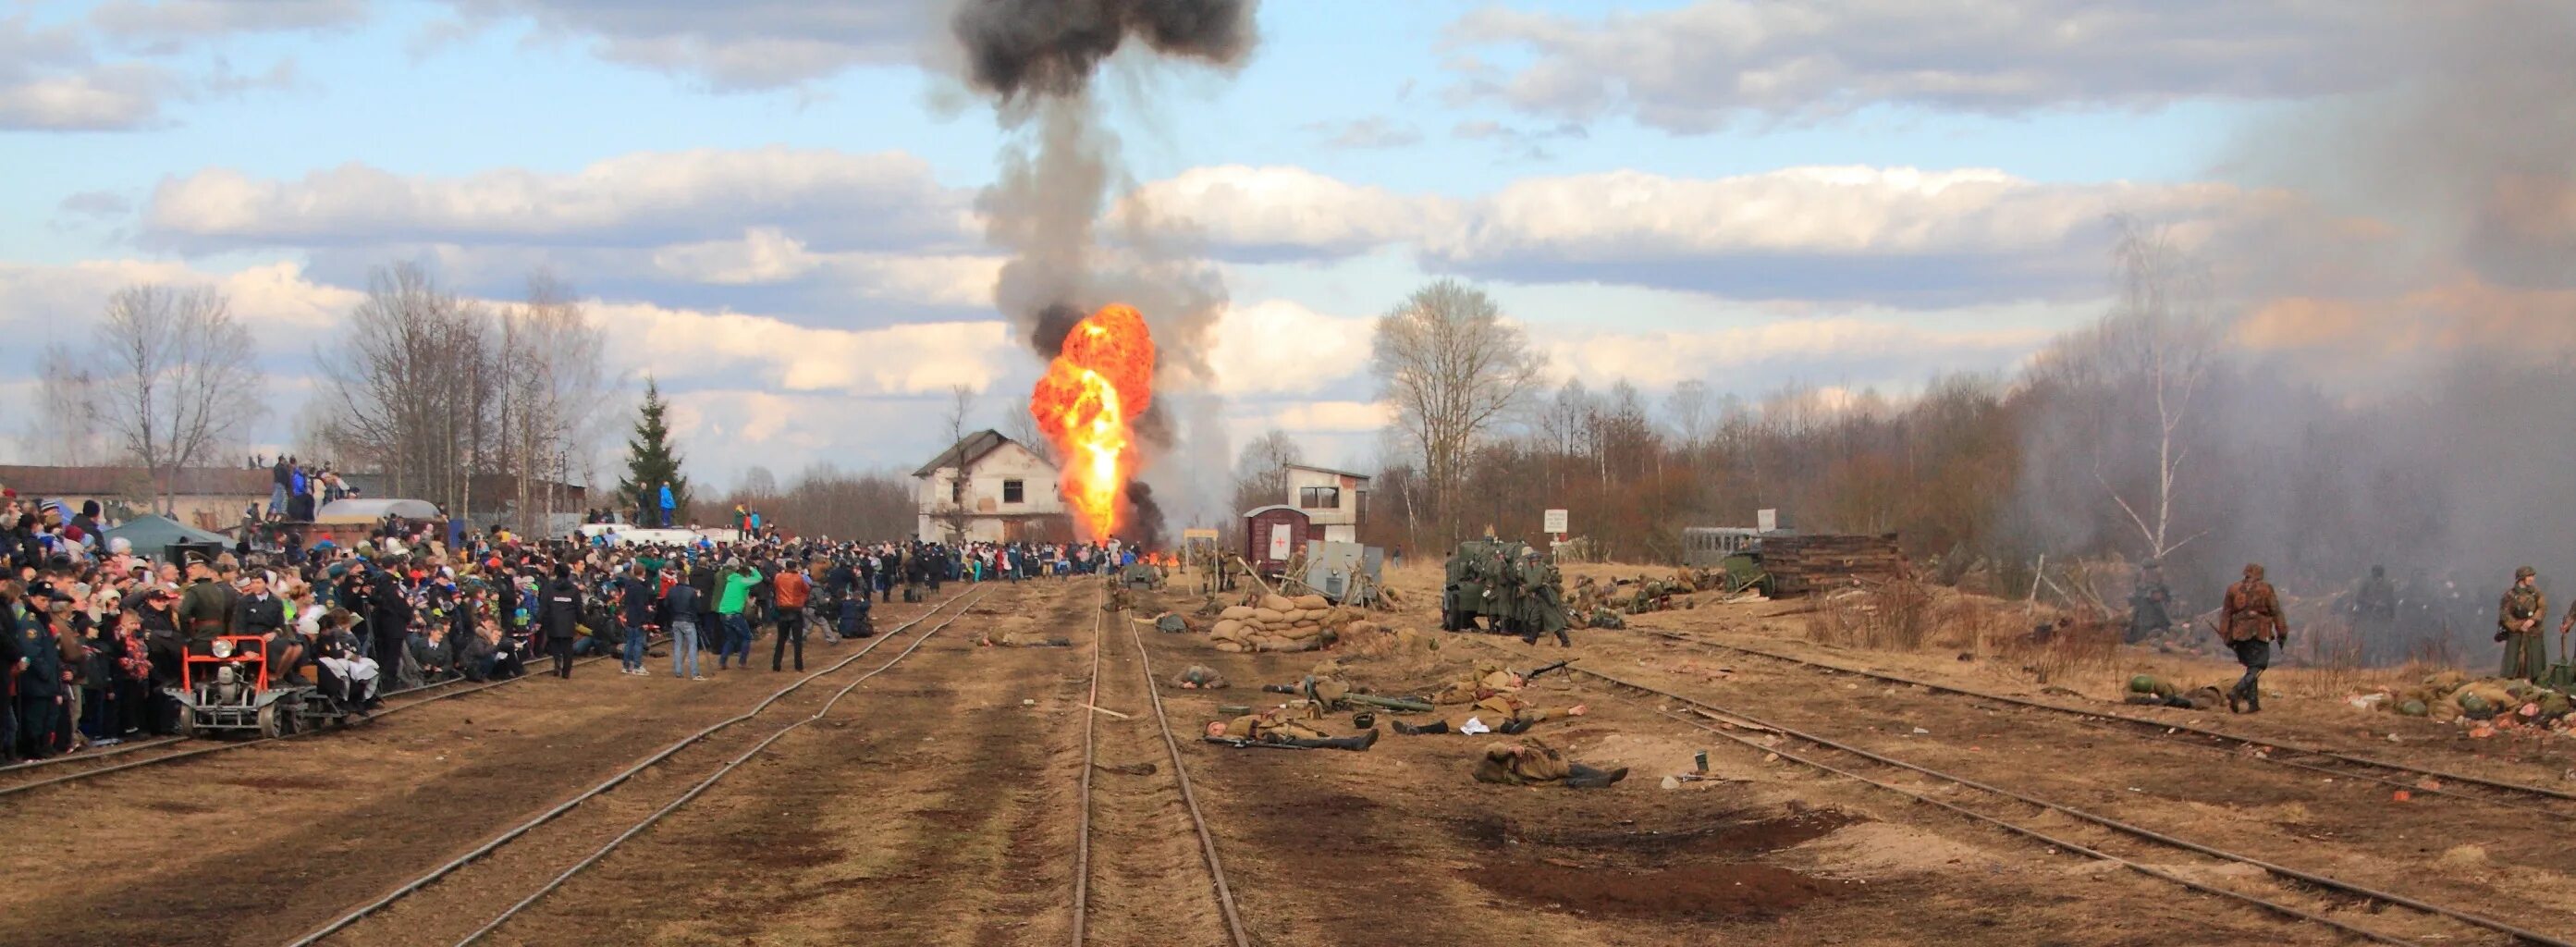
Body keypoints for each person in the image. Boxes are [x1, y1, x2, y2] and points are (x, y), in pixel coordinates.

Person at [2219, 563, 2289, 713]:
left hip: (2238, 633)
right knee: (2260, 665)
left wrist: (2225, 634)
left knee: (2251, 666)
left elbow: (2226, 613)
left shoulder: (2233, 589)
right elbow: (2276, 612)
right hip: (2259, 632)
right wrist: (2282, 633)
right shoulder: (2266, 589)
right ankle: (2237, 691)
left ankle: (2253, 704)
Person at [1474, 736, 1627, 788]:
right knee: (1563, 769)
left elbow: (1495, 749)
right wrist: (1510, 749)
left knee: (1562, 781)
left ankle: (1604, 780)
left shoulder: (1485, 770)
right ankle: (1605, 776)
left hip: (1524, 775)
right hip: (1525, 765)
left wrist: (1510, 749)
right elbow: (1493, 749)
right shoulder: (1486, 762)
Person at [2501, 566, 2549, 682]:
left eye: (2532, 576)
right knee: (2513, 661)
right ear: (2521, 577)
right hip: (2516, 633)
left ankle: (2533, 682)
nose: (2531, 579)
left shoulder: (2536, 593)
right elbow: (2505, 615)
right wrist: (2519, 625)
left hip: (2534, 632)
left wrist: (2533, 620)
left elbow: (2542, 608)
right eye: (2529, 576)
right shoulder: (2510, 595)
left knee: (2534, 662)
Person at [539, 564, 583, 680]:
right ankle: (566, 672)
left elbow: (544, 605)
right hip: (568, 622)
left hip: (553, 621)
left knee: (555, 645)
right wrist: (580, 620)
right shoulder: (574, 589)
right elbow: (578, 607)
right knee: (568, 648)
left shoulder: (549, 588)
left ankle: (557, 663)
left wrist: (540, 619)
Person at [716, 561, 760, 670]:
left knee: (731, 638)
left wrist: (752, 602)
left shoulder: (731, 581)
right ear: (746, 575)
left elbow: (747, 601)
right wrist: (751, 567)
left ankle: (722, 661)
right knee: (747, 637)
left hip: (723, 612)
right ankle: (742, 662)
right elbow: (759, 578)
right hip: (734, 614)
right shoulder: (742, 581)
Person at [661, 568, 704, 680]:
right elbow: (698, 608)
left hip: (676, 620)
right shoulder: (691, 591)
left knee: (678, 646)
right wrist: (698, 598)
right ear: (686, 579)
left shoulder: (671, 590)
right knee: (692, 646)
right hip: (688, 620)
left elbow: (666, 605)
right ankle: (695, 673)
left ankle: (678, 671)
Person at [770, 560, 810, 672]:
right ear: (795, 567)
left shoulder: (778, 577)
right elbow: (806, 589)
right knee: (798, 641)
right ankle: (798, 666)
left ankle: (776, 665)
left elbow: (775, 587)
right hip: (795, 609)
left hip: (782, 609)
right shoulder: (799, 578)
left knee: (781, 639)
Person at [617, 562, 656, 676]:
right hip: (638, 618)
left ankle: (626, 666)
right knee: (638, 642)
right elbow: (640, 606)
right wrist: (644, 621)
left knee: (629, 642)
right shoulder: (640, 588)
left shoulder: (629, 584)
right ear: (643, 572)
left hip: (630, 616)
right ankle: (637, 666)